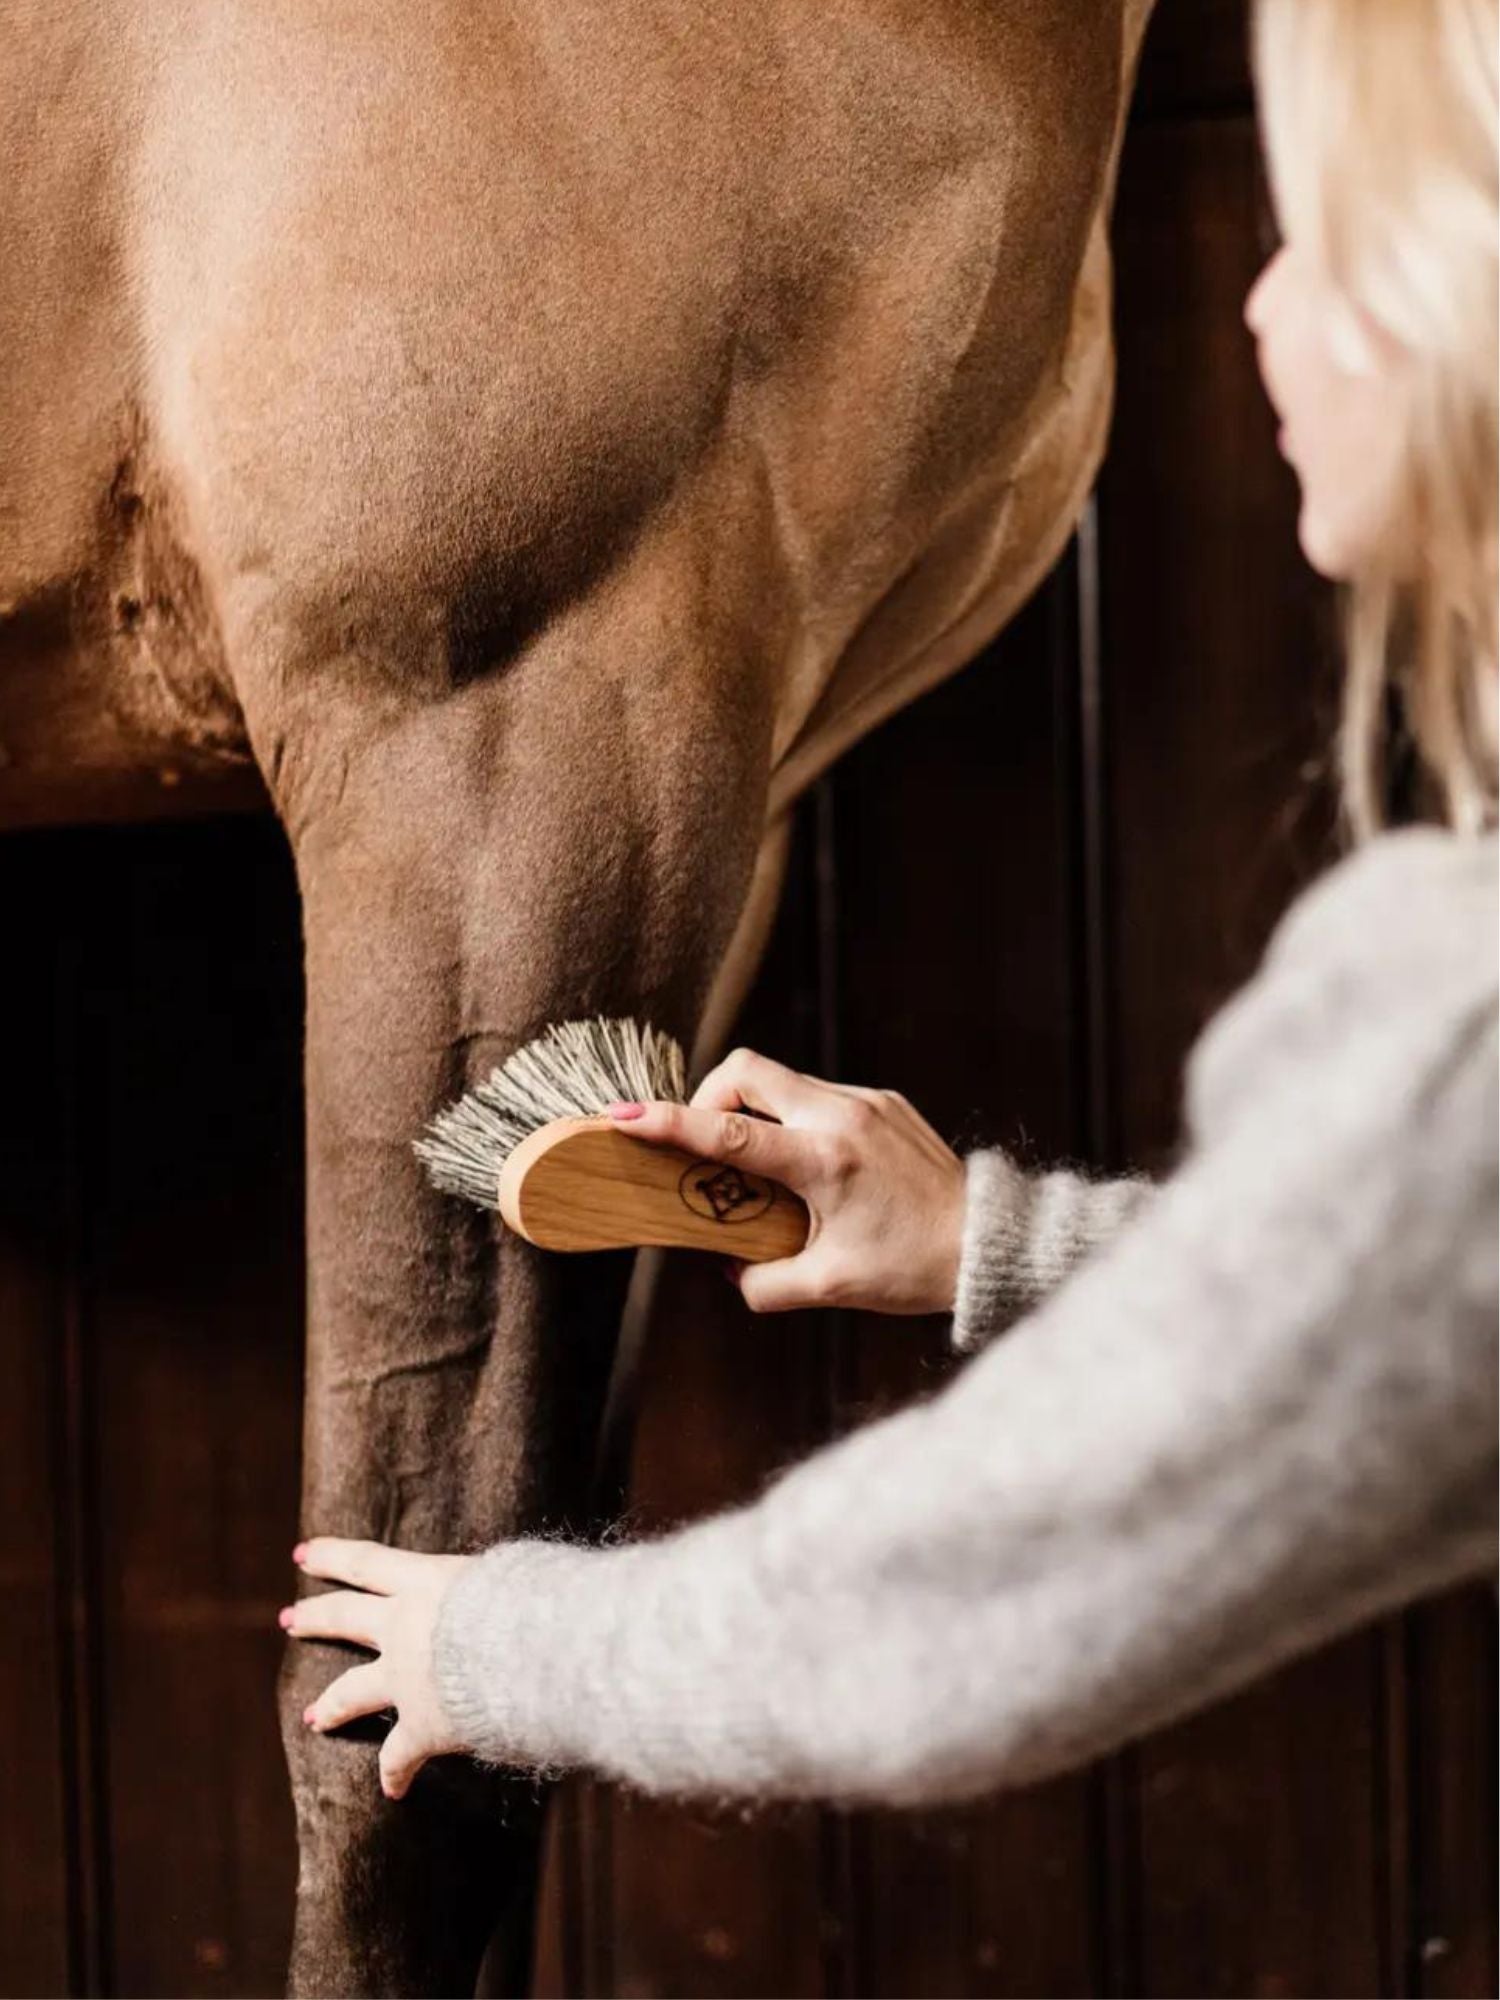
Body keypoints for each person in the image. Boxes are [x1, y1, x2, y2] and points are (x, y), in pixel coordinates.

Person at [280, 0, 1498, 1806]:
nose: (1257, 308)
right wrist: (983, 1240)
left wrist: (501, 1651)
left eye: (1316, 240)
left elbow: (931, 1618)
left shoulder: (1448, 1009)